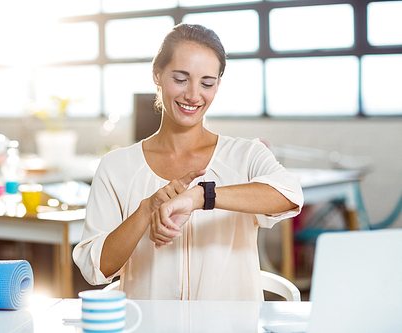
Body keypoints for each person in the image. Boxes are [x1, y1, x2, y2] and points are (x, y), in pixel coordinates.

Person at [73, 23, 303, 301]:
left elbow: (289, 195)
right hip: (148, 325)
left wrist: (200, 196)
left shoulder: (245, 155)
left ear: (218, 85)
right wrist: (147, 210)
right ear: (157, 75)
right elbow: (96, 267)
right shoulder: (116, 166)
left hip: (230, 326)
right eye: (180, 79)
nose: (193, 95)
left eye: (206, 83)